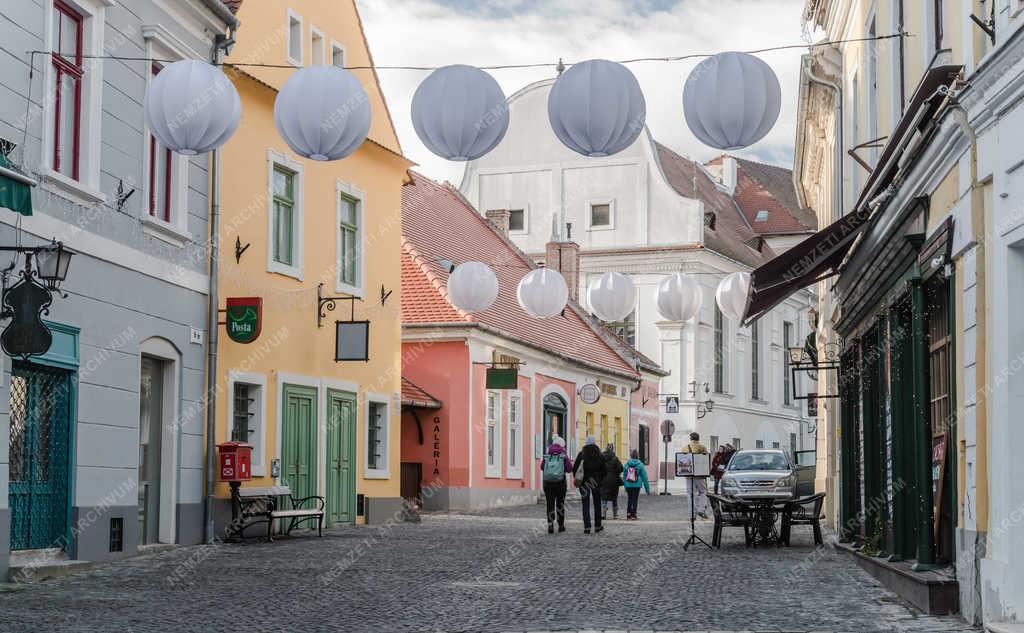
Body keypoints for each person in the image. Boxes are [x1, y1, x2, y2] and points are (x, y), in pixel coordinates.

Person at [572, 436, 607, 533]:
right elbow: (604, 470)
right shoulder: (599, 454)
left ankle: (587, 527)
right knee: (597, 503)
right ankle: (598, 525)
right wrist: (600, 479)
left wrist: (579, 478)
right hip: (595, 482)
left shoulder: (582, 454)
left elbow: (575, 468)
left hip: (584, 483)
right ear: (594, 443)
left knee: (585, 504)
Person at [539, 436, 572, 534]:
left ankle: (550, 524)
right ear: (562, 445)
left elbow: (542, 467)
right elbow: (569, 469)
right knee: (560, 504)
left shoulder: (547, 455)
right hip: (560, 483)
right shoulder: (563, 455)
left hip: (548, 484)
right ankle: (561, 525)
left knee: (550, 504)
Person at [681, 432, 709, 519]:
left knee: (690, 494)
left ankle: (691, 514)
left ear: (690, 438)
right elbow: (705, 461)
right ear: (698, 438)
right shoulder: (702, 447)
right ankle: (701, 509)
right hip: (700, 475)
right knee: (703, 492)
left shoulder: (685, 448)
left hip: (689, 475)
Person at [622, 449, 650, 520]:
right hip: (637, 485)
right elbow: (644, 477)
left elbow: (624, 476)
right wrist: (647, 490)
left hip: (628, 484)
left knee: (630, 499)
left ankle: (628, 514)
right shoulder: (640, 465)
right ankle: (634, 514)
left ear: (631, 456)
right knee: (635, 499)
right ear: (638, 456)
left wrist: (625, 485)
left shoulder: (626, 464)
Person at [600, 444, 623, 520]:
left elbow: (599, 468)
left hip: (603, 480)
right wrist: (615, 472)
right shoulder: (615, 459)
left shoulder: (602, 458)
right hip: (614, 481)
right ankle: (615, 514)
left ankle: (603, 513)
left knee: (604, 496)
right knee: (614, 497)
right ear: (613, 450)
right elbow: (621, 468)